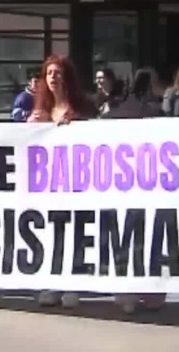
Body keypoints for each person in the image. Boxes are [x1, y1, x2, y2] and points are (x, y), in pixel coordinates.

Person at [28, 55, 95, 309]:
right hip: (48, 182)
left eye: (58, 72)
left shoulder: (83, 108)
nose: (53, 77)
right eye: (49, 73)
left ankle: (73, 283)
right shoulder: (40, 110)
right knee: (52, 230)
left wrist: (76, 123)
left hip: (76, 178)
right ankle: (52, 282)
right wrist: (28, 127)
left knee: (75, 230)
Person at [103, 68, 167, 313]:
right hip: (151, 187)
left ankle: (126, 292)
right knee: (150, 237)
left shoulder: (113, 117)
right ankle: (151, 292)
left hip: (120, 188)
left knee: (125, 238)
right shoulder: (158, 116)